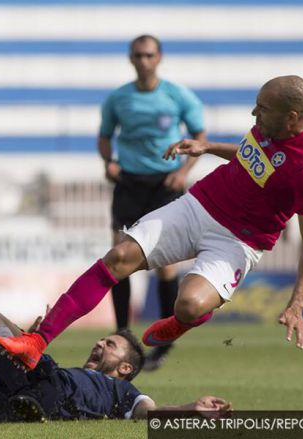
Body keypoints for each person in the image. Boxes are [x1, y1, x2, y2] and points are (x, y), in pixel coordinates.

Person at [0, 75, 303, 370]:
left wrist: (297, 304)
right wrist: (207, 146)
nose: (255, 114)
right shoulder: (273, 125)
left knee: (189, 304)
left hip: (239, 241)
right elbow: (254, 153)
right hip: (200, 205)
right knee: (118, 257)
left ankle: (184, 320)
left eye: (262, 108)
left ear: (292, 118)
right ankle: (36, 343)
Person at [0, 308, 231, 424]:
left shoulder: (124, 392)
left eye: (110, 345)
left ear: (125, 369)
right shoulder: (66, 371)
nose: (99, 343)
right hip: (18, 390)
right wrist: (26, 338)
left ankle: (31, 405)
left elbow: (150, 414)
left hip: (51, 394)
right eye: (101, 340)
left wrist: (191, 409)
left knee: (48, 382)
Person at [99, 34, 206, 371]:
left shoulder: (176, 95)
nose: (143, 61)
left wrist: (185, 170)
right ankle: (122, 333)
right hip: (129, 182)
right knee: (118, 255)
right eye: (137, 55)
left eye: (148, 55)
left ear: (159, 58)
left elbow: (200, 135)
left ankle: (163, 339)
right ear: (131, 59)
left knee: (165, 263)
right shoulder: (119, 98)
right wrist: (109, 162)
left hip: (165, 184)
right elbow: (104, 137)